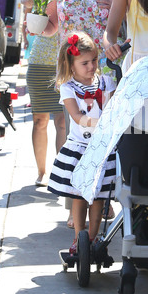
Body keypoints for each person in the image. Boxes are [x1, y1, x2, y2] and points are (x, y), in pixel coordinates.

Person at [43, 0, 124, 221]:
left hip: (107, 73)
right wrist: (38, 26)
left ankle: (103, 197)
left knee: (107, 135)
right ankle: (75, 204)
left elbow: (136, 21)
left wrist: (119, 5)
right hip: (74, 76)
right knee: (77, 136)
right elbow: (51, 26)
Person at [47, 32, 116, 254]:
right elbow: (76, 116)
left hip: (102, 149)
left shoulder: (106, 82)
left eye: (94, 60)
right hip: (80, 148)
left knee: (97, 198)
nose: (91, 66)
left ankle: (93, 239)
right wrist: (98, 122)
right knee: (79, 196)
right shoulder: (69, 88)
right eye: (84, 63)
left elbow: (113, 107)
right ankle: (79, 238)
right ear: (72, 65)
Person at [21, 0, 70, 187]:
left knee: (62, 122)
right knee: (39, 120)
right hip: (40, 61)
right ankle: (42, 173)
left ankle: (59, 175)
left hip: (65, 63)